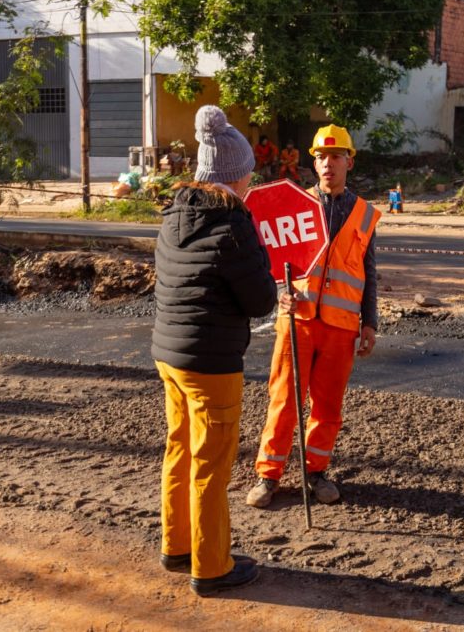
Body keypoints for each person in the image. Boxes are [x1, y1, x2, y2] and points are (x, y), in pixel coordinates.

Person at [152, 105, 277, 597]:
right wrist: (263, 261)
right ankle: (211, 567)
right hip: (211, 364)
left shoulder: (173, 216)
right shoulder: (234, 225)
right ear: (234, 174)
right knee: (211, 464)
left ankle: (176, 546)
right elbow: (261, 299)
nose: (250, 181)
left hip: (169, 356)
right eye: (248, 174)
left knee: (179, 450)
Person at [245, 124, 381, 509]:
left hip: (340, 328)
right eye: (321, 157)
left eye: (335, 157)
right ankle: (267, 476)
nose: (327, 164)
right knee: (284, 399)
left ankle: (315, 473)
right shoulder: (295, 206)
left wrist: (369, 322)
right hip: (298, 321)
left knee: (327, 405)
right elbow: (269, 261)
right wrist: (279, 294)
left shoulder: (365, 215)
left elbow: (369, 272)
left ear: (349, 162)